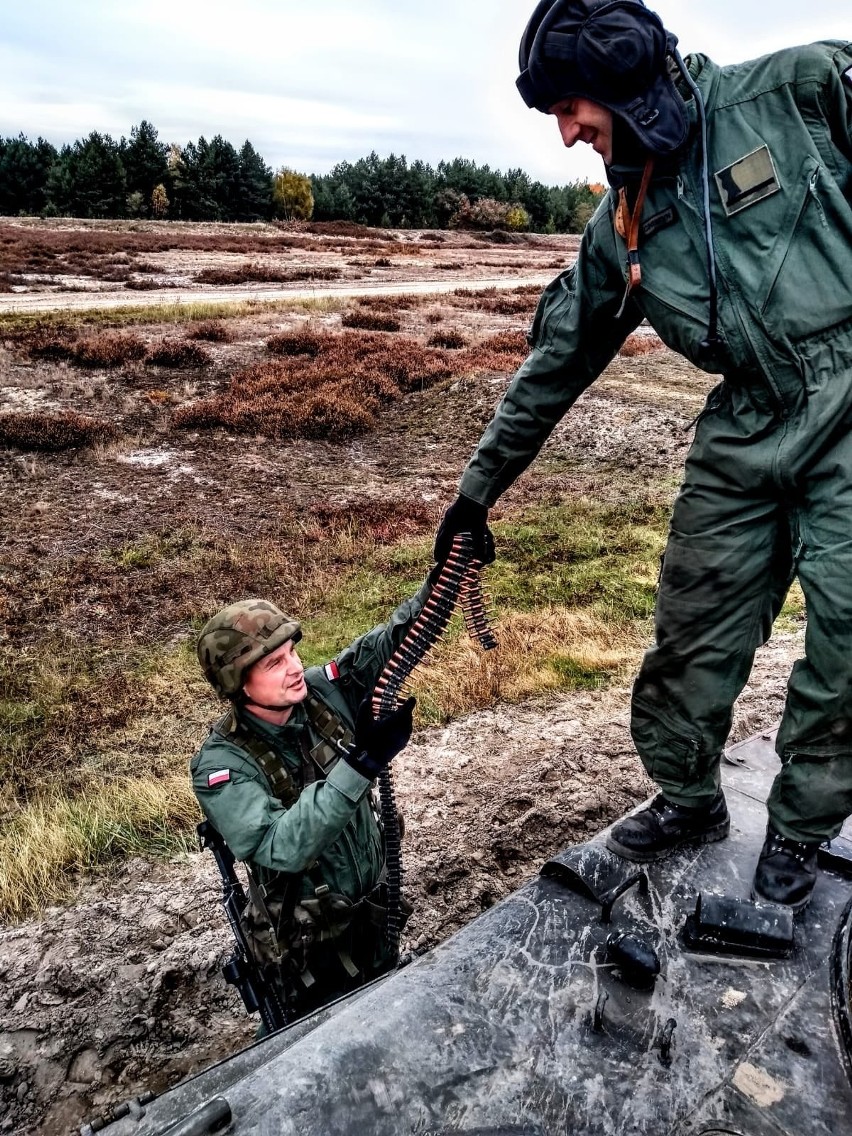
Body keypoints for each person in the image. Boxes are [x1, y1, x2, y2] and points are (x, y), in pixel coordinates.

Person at [434, 0, 852, 912]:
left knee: (849, 634)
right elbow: (557, 362)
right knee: (692, 622)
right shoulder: (624, 220)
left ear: (629, 81)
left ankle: (803, 824)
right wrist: (476, 493)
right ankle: (690, 797)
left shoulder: (803, 91)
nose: (566, 133)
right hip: (745, 421)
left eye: (572, 106)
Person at [192, 582, 427, 1022]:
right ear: (238, 682)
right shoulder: (220, 766)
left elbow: (391, 641)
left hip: (375, 919)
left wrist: (447, 568)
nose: (295, 667)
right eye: (275, 663)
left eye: (293, 653)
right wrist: (359, 766)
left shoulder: (321, 695)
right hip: (309, 961)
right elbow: (280, 844)